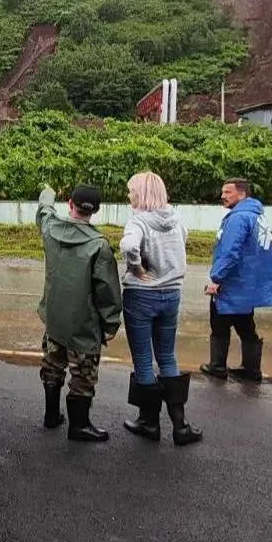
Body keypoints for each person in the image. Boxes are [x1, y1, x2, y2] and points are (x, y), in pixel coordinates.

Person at [118, 172, 203, 446]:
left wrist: (137, 268)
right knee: (167, 356)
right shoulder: (176, 218)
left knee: (143, 359)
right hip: (171, 294)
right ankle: (181, 426)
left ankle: (149, 422)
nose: (128, 196)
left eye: (131, 191)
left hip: (142, 295)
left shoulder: (138, 221)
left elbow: (130, 246)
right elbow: (183, 241)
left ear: (141, 194)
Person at [36, 183, 123, 442]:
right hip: (84, 326)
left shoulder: (51, 229)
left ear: (70, 205)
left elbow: (44, 210)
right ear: (95, 210)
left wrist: (48, 191)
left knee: (52, 365)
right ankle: (79, 426)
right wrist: (110, 325)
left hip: (54, 319)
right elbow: (107, 290)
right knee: (83, 375)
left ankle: (51, 416)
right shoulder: (100, 246)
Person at [200, 178, 272, 382]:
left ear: (242, 194)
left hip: (232, 283)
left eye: (228, 192)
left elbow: (230, 252)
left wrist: (217, 279)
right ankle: (251, 369)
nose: (223, 196)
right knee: (246, 325)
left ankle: (217, 366)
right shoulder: (257, 217)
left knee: (219, 324)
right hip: (247, 285)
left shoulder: (238, 218)